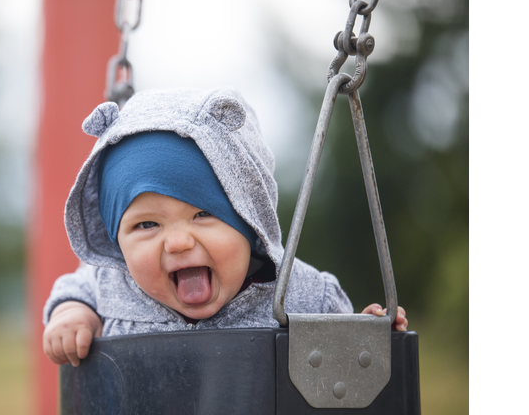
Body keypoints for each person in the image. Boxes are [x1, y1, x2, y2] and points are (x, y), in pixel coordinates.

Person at [43, 87, 407, 367]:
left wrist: (368, 338)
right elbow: (75, 291)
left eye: (203, 215)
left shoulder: (303, 295)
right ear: (116, 241)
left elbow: (346, 374)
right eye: (147, 224)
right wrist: (74, 315)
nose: (178, 243)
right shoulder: (108, 283)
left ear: (249, 221)